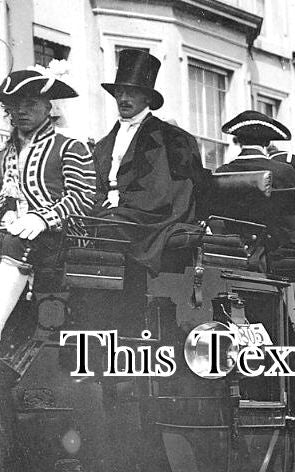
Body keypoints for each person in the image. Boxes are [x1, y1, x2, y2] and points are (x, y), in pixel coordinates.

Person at [93, 49, 206, 280]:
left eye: (132, 92)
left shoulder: (170, 138)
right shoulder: (104, 143)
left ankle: (122, 297)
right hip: (110, 211)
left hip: (152, 214)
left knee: (108, 227)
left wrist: (118, 209)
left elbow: (164, 192)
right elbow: (93, 184)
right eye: (120, 92)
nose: (124, 98)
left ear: (147, 98)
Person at [0, 67, 97, 338]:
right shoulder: (5, 154)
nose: (21, 111)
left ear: (47, 107)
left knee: (15, 241)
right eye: (15, 106)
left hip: (62, 236)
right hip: (14, 234)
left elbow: (83, 197)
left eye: (30, 104)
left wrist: (42, 218)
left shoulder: (69, 147)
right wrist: (7, 212)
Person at [213, 111, 295, 256]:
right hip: (279, 252)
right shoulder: (283, 171)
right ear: (267, 142)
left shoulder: (222, 172)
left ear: (239, 139)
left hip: (235, 249)